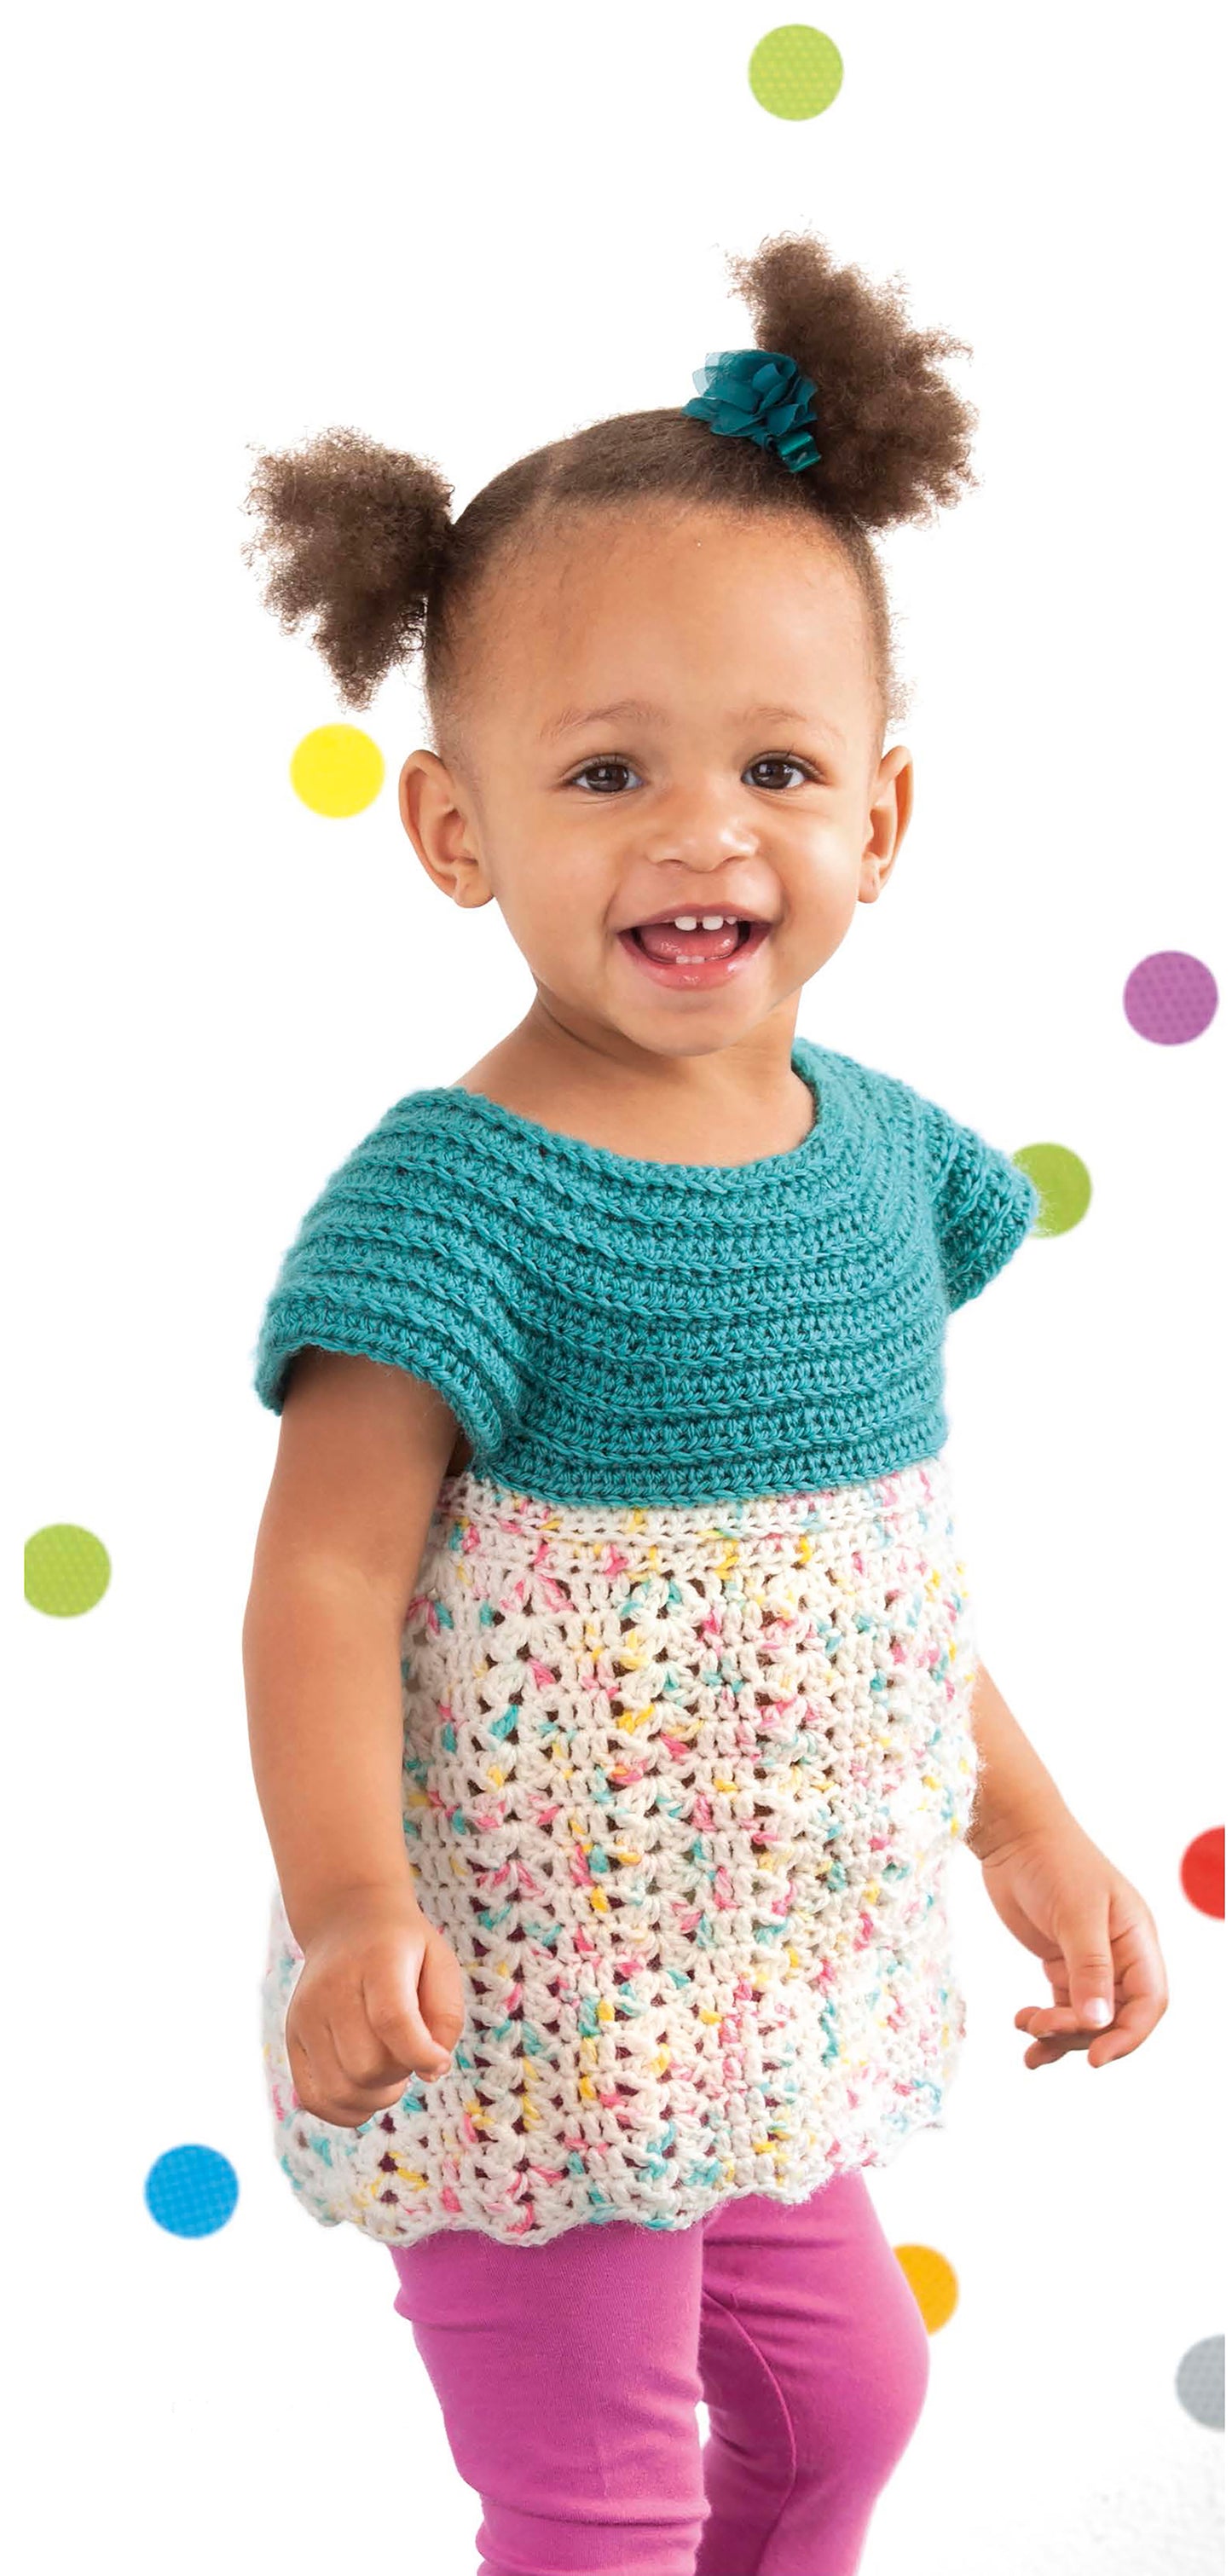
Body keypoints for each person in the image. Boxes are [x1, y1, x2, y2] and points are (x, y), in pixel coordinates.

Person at [240, 229, 1168, 2576]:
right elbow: (325, 1579)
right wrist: (348, 1906)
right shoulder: (453, 1204)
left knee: (850, 2410)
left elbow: (868, 1592)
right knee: (599, 2504)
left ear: (882, 816)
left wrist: (1026, 1823)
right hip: (522, 2015)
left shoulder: (883, 1160)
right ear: (458, 830)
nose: (703, 829)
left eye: (776, 764)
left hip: (765, 2015)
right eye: (605, 770)